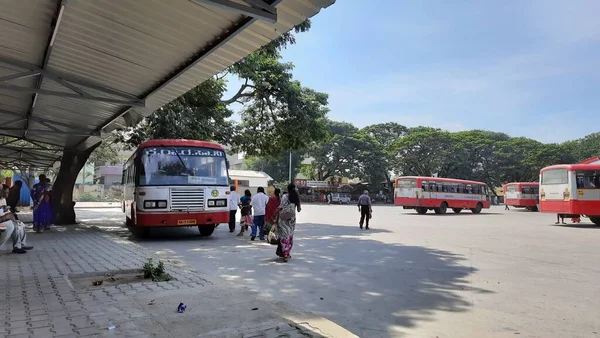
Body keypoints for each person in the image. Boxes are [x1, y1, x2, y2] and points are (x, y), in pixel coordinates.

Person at [276, 184, 301, 262]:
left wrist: (275, 215)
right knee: (289, 236)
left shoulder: (284, 196)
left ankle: (285, 254)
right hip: (292, 220)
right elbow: (299, 209)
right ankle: (287, 253)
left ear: (288, 189)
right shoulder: (297, 197)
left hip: (283, 218)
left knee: (283, 236)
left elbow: (280, 207)